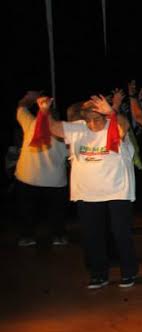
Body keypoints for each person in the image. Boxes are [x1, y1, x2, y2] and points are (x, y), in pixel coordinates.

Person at [38, 94, 139, 289]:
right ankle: (98, 274)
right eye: (88, 119)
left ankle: (128, 272)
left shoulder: (114, 126)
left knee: (120, 233)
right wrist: (44, 111)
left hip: (117, 191)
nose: (92, 124)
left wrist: (112, 111)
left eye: (97, 119)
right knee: (92, 235)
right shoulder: (79, 128)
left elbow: (124, 125)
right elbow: (54, 128)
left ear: (104, 115)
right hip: (87, 192)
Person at [14, 90, 69, 247]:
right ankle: (58, 236)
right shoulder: (65, 132)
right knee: (56, 212)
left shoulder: (31, 124)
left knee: (27, 211)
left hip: (28, 177)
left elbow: (21, 108)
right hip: (54, 181)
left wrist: (29, 98)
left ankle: (27, 236)